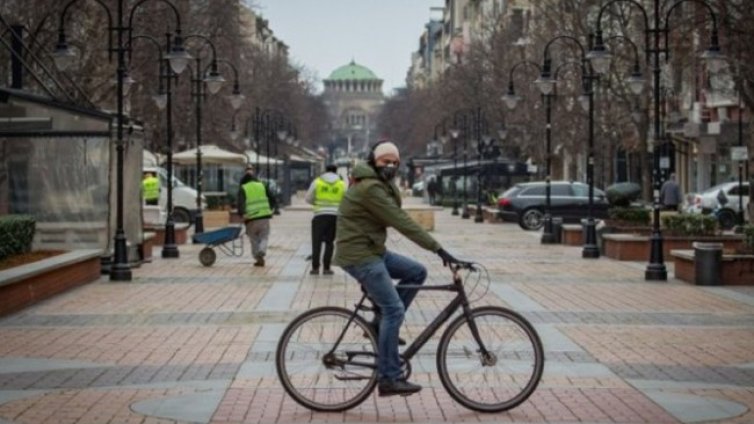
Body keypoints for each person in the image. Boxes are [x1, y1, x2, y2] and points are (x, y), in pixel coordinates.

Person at [334, 140, 460, 397]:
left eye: (394, 162)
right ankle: (389, 377)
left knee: (417, 272)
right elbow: (400, 220)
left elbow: (395, 211)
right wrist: (438, 249)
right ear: (374, 161)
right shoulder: (370, 188)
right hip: (360, 254)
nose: (390, 166)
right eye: (385, 161)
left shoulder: (378, 183)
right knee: (395, 310)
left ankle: (381, 326)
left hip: (373, 250)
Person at [305, 164, 345, 275]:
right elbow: (347, 199)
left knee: (316, 242)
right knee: (329, 242)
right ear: (336, 171)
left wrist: (317, 203)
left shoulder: (317, 182)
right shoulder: (341, 184)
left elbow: (308, 198)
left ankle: (315, 268)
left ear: (325, 171)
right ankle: (327, 268)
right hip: (334, 217)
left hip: (319, 215)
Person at [237, 165, 277, 267]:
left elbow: (240, 203)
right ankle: (262, 250)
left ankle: (258, 257)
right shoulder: (262, 185)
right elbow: (272, 197)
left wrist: (242, 213)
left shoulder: (243, 188)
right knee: (264, 236)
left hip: (251, 218)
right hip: (264, 216)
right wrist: (272, 208)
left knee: (254, 239)